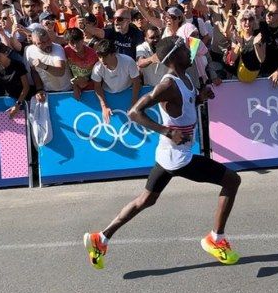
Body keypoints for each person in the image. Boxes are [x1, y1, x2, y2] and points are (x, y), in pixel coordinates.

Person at [83, 37, 241, 269]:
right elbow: (134, 112)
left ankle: (101, 238)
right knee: (232, 180)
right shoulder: (167, 84)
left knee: (146, 200)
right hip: (179, 157)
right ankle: (215, 239)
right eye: (185, 50)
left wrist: (200, 98)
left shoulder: (184, 78)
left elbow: (182, 106)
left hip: (168, 155)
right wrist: (167, 131)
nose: (189, 52)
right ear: (174, 57)